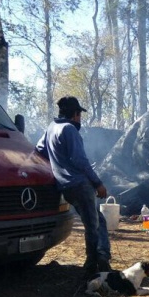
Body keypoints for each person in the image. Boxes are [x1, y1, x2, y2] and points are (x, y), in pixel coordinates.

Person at [36, 96, 112, 277]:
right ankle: (94, 264)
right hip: (80, 184)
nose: (80, 119)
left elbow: (39, 149)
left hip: (65, 186)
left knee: (96, 221)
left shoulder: (51, 128)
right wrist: (98, 183)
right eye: (79, 114)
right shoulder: (69, 129)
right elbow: (80, 161)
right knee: (93, 225)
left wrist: (58, 165)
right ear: (75, 114)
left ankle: (98, 258)